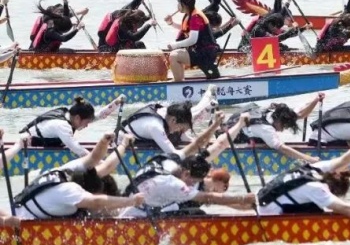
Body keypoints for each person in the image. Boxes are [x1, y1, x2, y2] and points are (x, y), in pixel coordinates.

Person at [256, 130, 350, 227]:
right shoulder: (317, 188)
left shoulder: (314, 168)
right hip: (270, 221)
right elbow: (346, 209)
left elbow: (344, 160)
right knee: (322, 209)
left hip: (262, 205)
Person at [13, 133, 145, 220]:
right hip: (22, 222)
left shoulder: (67, 171)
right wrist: (130, 201)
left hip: (16, 208)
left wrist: (109, 142)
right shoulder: (71, 190)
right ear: (87, 191)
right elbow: (97, 202)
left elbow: (99, 161)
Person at [119, 147, 255, 219]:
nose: (192, 185)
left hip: (130, 206)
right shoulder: (176, 185)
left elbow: (197, 144)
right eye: (193, 181)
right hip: (138, 217)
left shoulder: (169, 163)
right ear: (186, 174)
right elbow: (209, 197)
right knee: (198, 214)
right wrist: (242, 198)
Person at [222, 93, 324, 163]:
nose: (283, 130)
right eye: (284, 126)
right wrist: (309, 159)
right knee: (272, 144)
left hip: (236, 128)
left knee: (268, 143)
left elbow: (301, 114)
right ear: (279, 121)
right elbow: (283, 149)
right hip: (230, 140)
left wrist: (316, 100)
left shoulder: (274, 112)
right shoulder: (266, 129)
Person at [19, 96, 122, 158]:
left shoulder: (69, 115)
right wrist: (101, 162)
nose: (87, 126)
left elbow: (99, 116)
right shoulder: (63, 126)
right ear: (77, 118)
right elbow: (78, 150)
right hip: (27, 148)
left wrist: (116, 103)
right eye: (86, 123)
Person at [119, 98, 217, 156]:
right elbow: (174, 154)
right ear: (173, 120)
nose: (180, 131)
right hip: (123, 142)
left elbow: (185, 139)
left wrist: (205, 143)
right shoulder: (156, 127)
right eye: (181, 128)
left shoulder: (167, 113)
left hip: (140, 138)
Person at [165, 0, 220, 81]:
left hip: (205, 52)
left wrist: (175, 45)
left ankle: (178, 82)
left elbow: (192, 40)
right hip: (200, 49)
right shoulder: (190, 14)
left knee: (174, 56)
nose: (178, 5)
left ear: (184, 5)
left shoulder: (195, 17)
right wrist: (171, 23)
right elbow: (185, 28)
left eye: (179, 3)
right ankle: (180, 80)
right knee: (176, 53)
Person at [237, 13, 310, 53]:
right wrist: (292, 30)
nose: (276, 29)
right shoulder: (259, 30)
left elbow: (286, 35)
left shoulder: (269, 27)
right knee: (279, 46)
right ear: (271, 24)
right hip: (244, 50)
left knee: (283, 47)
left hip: (256, 48)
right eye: (275, 27)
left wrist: (303, 28)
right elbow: (276, 39)